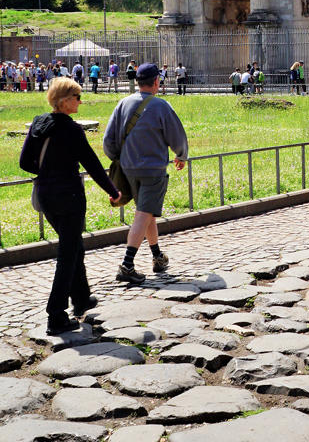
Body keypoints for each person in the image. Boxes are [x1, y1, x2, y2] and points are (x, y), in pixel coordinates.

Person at [19, 77, 121, 333]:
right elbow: (92, 164)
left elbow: (24, 162)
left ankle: (81, 297)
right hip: (70, 198)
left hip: (46, 196)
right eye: (76, 97)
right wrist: (113, 191)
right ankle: (56, 314)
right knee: (67, 253)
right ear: (64, 101)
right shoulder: (72, 130)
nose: (80, 101)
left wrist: (47, 171)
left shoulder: (38, 124)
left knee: (75, 245)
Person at [103, 62, 188, 284]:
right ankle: (127, 264)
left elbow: (108, 141)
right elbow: (176, 135)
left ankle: (157, 256)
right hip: (152, 170)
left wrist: (120, 159)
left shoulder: (122, 103)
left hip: (129, 169)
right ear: (157, 82)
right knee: (143, 214)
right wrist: (181, 155)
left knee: (146, 210)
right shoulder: (161, 106)